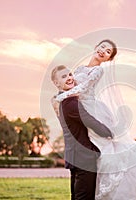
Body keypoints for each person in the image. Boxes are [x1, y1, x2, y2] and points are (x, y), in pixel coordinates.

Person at [55, 39, 136, 199]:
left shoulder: (98, 71)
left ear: (108, 59)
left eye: (107, 52)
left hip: (89, 107)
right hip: (78, 106)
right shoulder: (80, 68)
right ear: (96, 46)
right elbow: (70, 83)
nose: (103, 51)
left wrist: (61, 96)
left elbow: (82, 88)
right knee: (86, 141)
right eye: (103, 47)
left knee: (103, 144)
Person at [51, 65, 113, 200]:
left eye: (70, 74)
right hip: (83, 158)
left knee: (77, 196)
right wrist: (110, 132)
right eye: (63, 76)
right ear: (56, 83)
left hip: (76, 157)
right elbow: (90, 121)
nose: (69, 78)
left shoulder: (64, 102)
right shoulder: (70, 104)